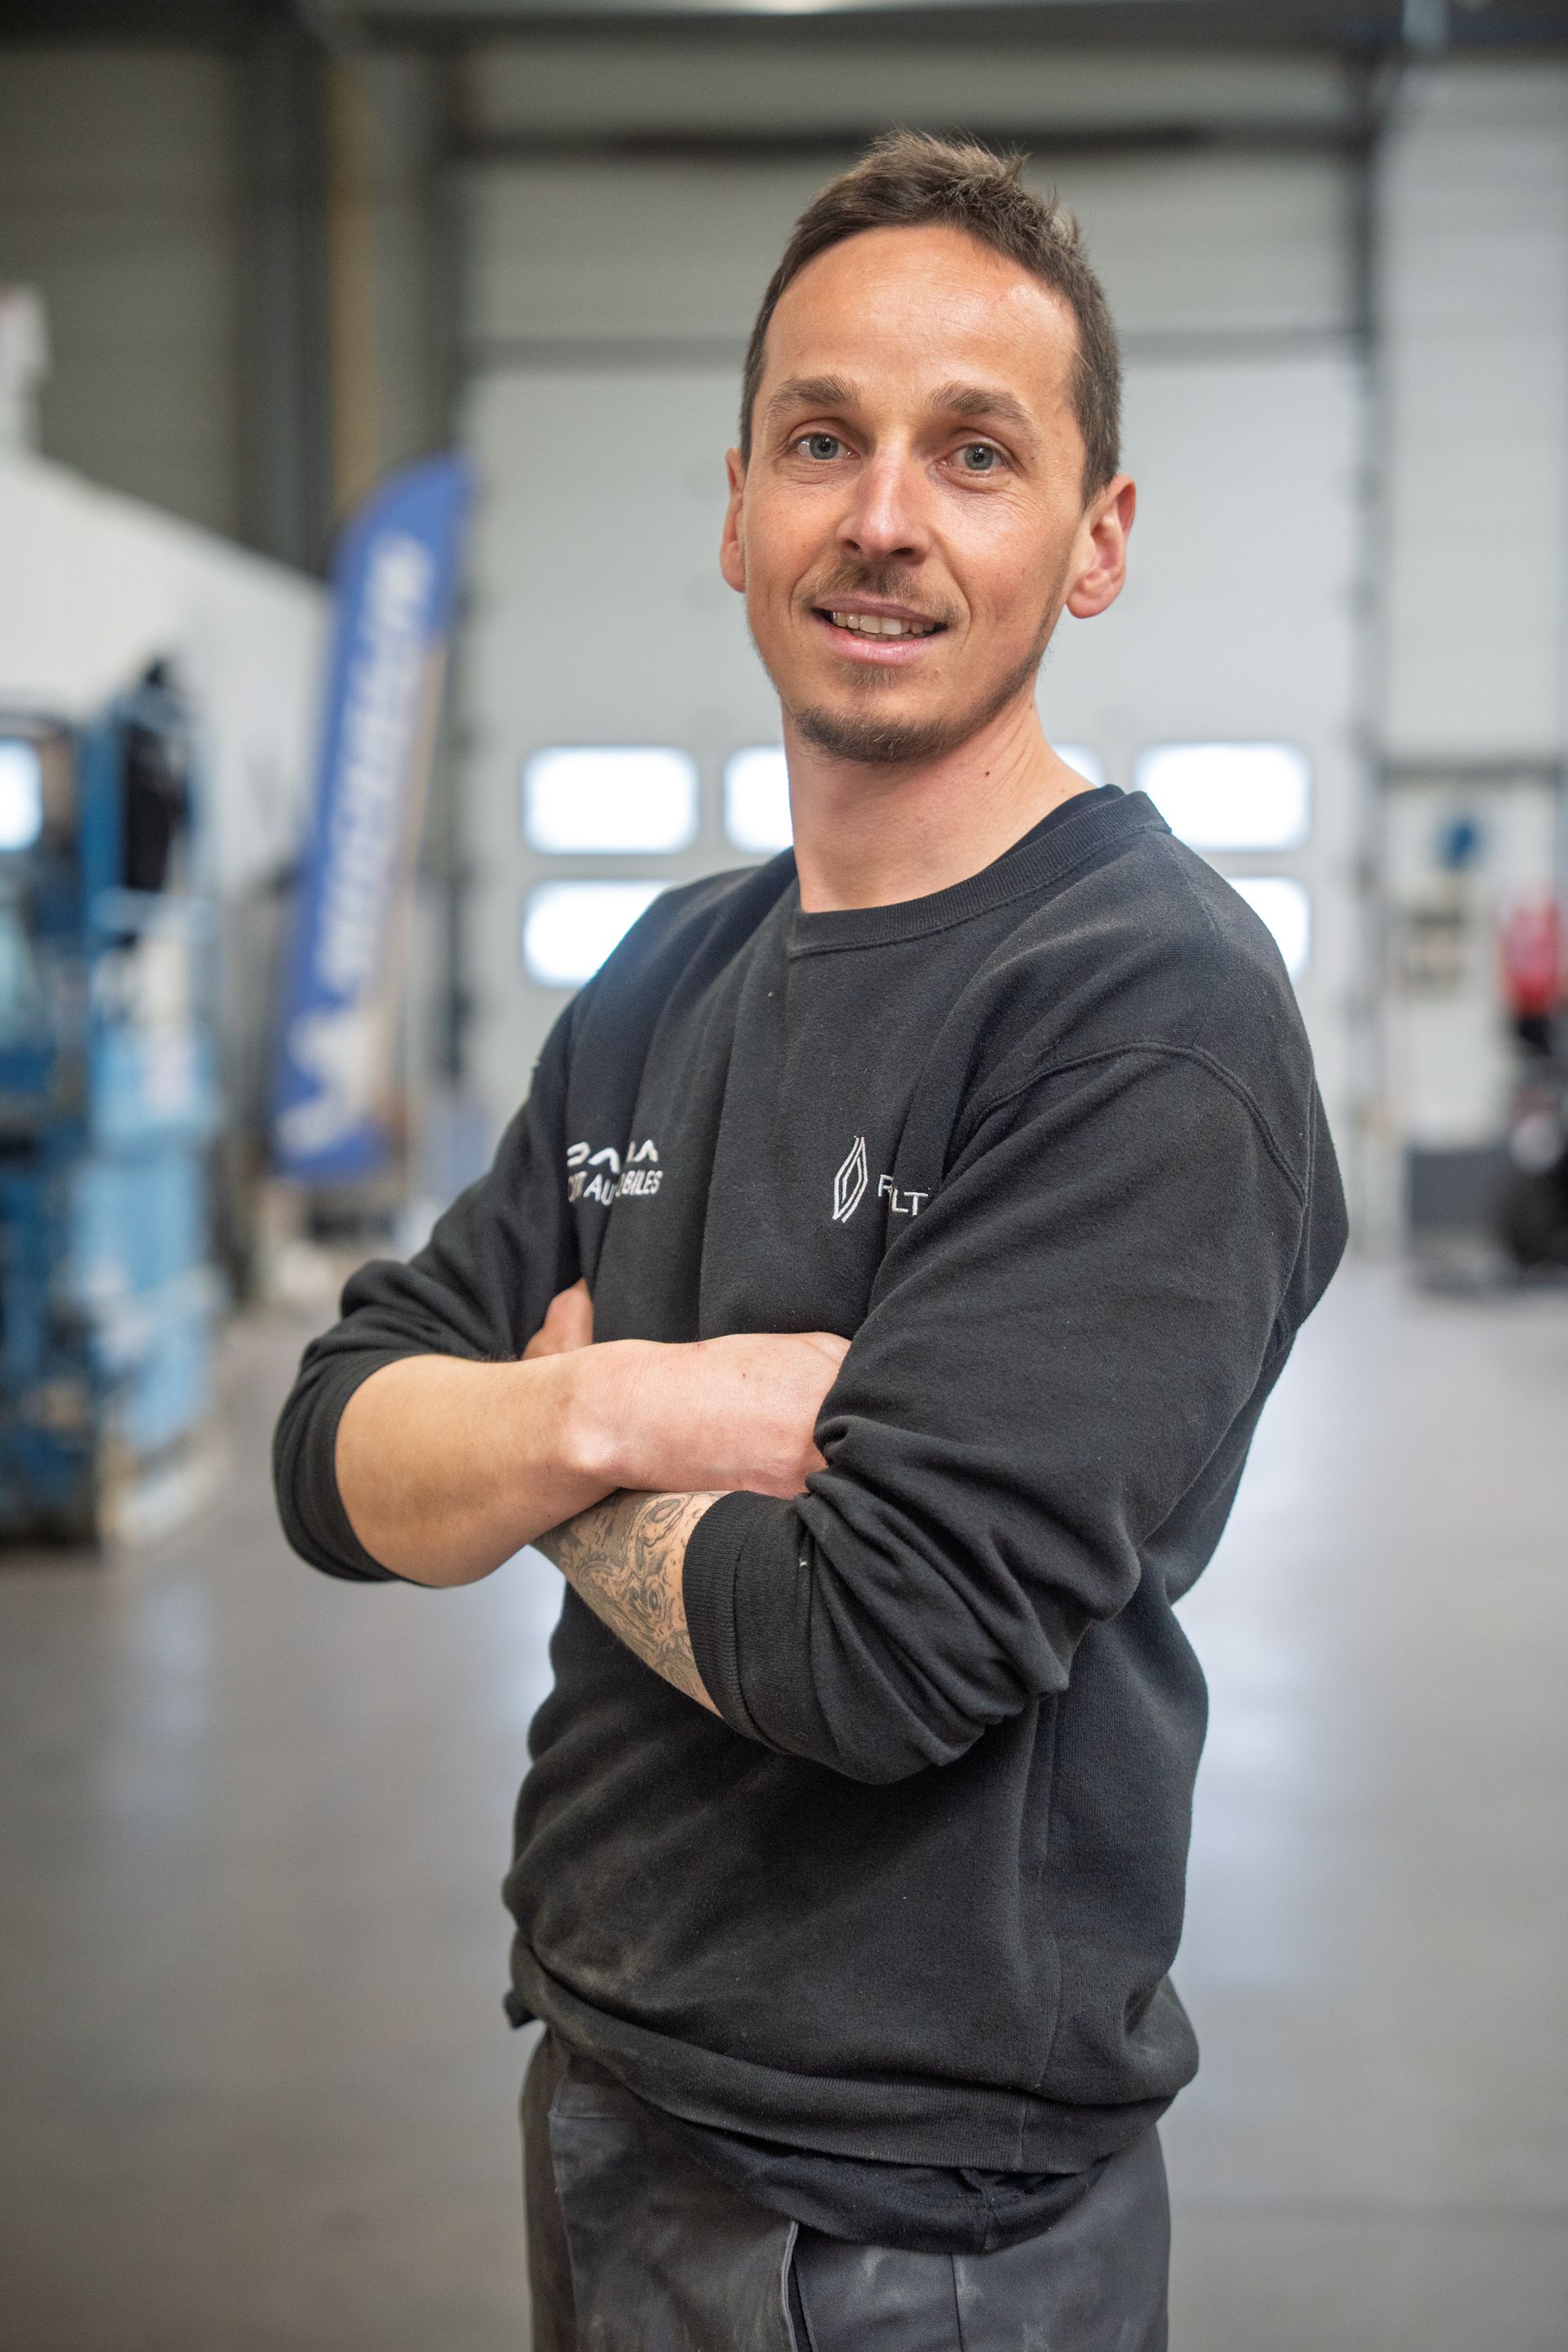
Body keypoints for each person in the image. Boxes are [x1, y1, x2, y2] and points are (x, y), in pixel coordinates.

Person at [274, 133, 1347, 2351]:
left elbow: (876, 1651)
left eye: (978, 452)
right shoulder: (664, 973)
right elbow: (331, 1452)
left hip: (909, 2226)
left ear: (1097, 537)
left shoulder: (1147, 1010)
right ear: (739, 507)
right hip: (599, 2077)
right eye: (822, 440)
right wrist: (627, 1408)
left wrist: (523, 1451)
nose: (885, 518)